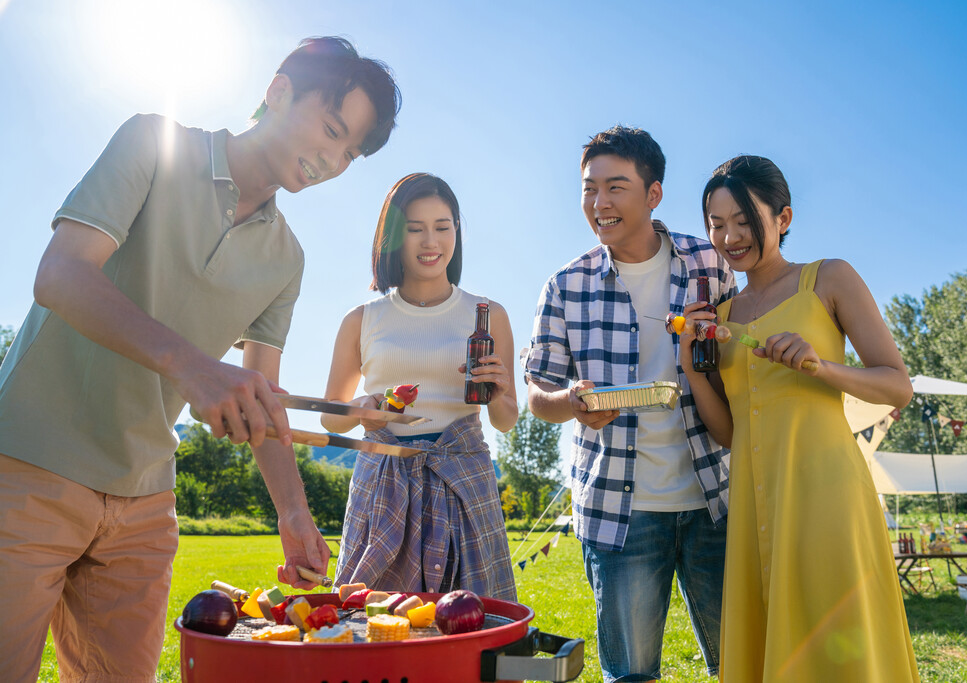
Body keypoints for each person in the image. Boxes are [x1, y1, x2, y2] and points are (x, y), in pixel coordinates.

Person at [0, 37, 401, 682]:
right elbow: (61, 274)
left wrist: (294, 514)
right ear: (277, 92)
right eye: (332, 130)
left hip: (143, 503)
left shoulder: (286, 259)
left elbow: (261, 391)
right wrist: (194, 368)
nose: (336, 160)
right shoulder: (152, 143)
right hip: (28, 467)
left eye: (351, 152)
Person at [684, 155, 918, 681]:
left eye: (744, 220)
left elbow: (896, 385)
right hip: (752, 504)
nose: (730, 237)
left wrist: (822, 366)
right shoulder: (722, 317)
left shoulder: (828, 278)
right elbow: (728, 434)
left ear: (783, 218)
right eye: (717, 224)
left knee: (839, 644)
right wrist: (693, 372)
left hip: (826, 494)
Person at [522, 125, 736, 681]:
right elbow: (537, 396)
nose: (600, 203)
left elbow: (742, 364)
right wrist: (570, 402)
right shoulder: (566, 285)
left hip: (717, 496)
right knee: (632, 675)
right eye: (590, 189)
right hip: (620, 512)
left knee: (744, 662)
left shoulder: (708, 264)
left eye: (616, 187)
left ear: (654, 193)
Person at [322, 173, 517, 600]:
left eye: (442, 227)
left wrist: (499, 393)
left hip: (463, 475)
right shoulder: (362, 319)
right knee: (370, 618)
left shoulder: (488, 315)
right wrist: (364, 407)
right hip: (384, 477)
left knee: (473, 617)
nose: (431, 242)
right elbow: (330, 416)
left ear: (457, 232)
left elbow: (505, 421)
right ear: (393, 236)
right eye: (415, 229)